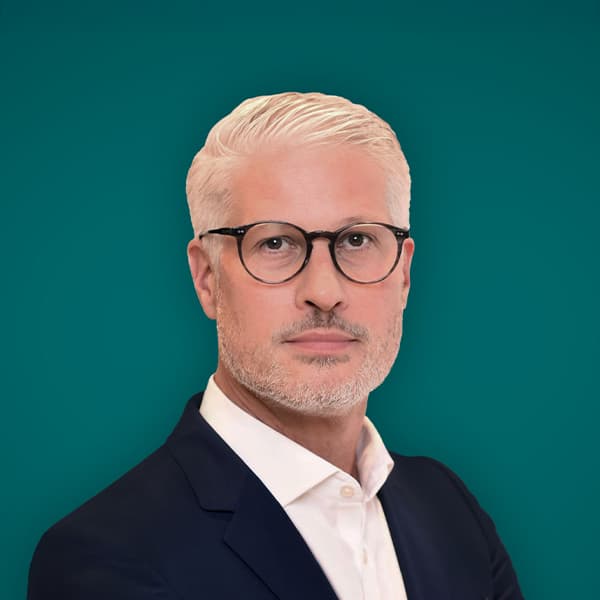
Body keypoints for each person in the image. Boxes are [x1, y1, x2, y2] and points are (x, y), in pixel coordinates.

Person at [28, 92, 523, 599]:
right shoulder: (107, 558)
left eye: (357, 240)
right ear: (206, 278)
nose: (324, 292)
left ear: (404, 275)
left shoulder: (450, 510)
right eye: (275, 243)